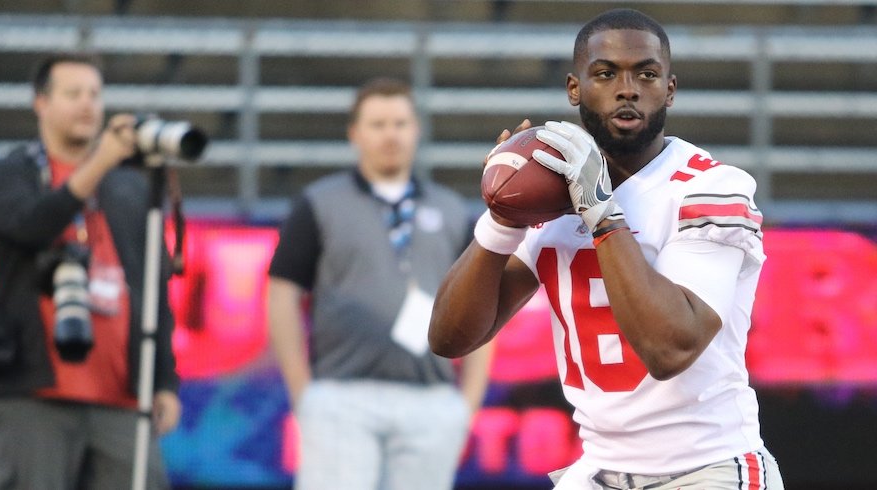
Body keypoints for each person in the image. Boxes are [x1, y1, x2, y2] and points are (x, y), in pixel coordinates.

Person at [429, 9, 784, 490]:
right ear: (574, 89)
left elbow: (669, 348)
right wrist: (502, 219)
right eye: (605, 73)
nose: (628, 88)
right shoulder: (553, 189)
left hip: (708, 467)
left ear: (670, 90)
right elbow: (450, 339)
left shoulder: (710, 187)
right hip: (599, 469)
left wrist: (600, 209)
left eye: (646, 73)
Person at [267, 77, 492, 490]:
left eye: (400, 123)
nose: (390, 134)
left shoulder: (450, 208)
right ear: (355, 133)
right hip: (342, 394)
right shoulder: (319, 202)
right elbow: (282, 293)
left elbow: (483, 303)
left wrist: (469, 402)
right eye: (378, 124)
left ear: (416, 130)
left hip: (431, 397)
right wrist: (303, 392)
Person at [0, 54, 180, 489]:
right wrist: (101, 162)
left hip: (121, 396)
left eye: (94, 94)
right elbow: (32, 227)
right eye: (72, 94)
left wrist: (163, 379)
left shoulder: (128, 187)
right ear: (41, 103)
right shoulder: (6, 173)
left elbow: (153, 288)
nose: (87, 105)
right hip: (32, 391)